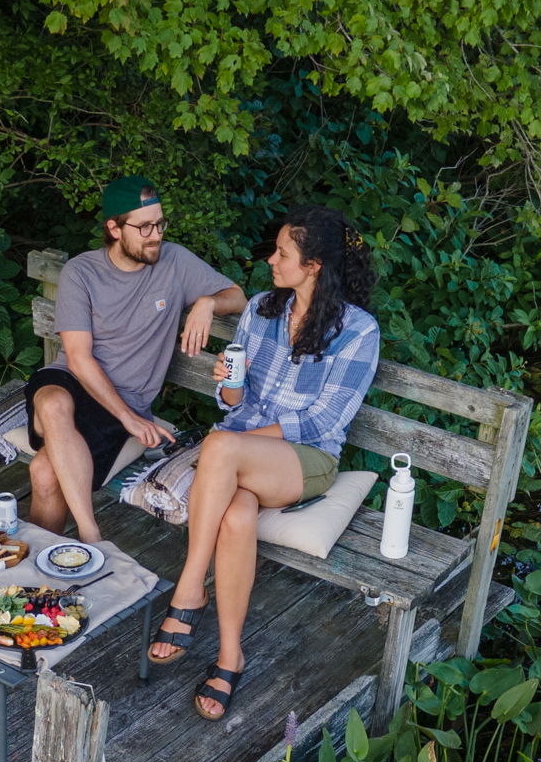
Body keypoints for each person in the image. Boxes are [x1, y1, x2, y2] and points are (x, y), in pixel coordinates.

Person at [147, 205, 380, 720]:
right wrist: (228, 387)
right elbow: (232, 399)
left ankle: (190, 587)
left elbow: (324, 418)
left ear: (314, 265)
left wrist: (242, 438)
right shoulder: (261, 309)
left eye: (283, 253)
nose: (271, 260)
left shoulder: (358, 330)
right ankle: (231, 655)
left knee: (220, 448)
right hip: (242, 453)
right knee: (236, 513)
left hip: (306, 458)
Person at [26, 174, 247, 541]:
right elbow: (78, 360)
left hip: (125, 397)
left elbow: (237, 296)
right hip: (73, 381)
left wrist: (207, 303)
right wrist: (129, 420)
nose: (156, 234)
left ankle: (45, 569)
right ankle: (91, 534)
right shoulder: (82, 272)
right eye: (144, 227)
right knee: (51, 402)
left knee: (44, 472)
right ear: (114, 228)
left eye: (160, 223)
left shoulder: (174, 262)